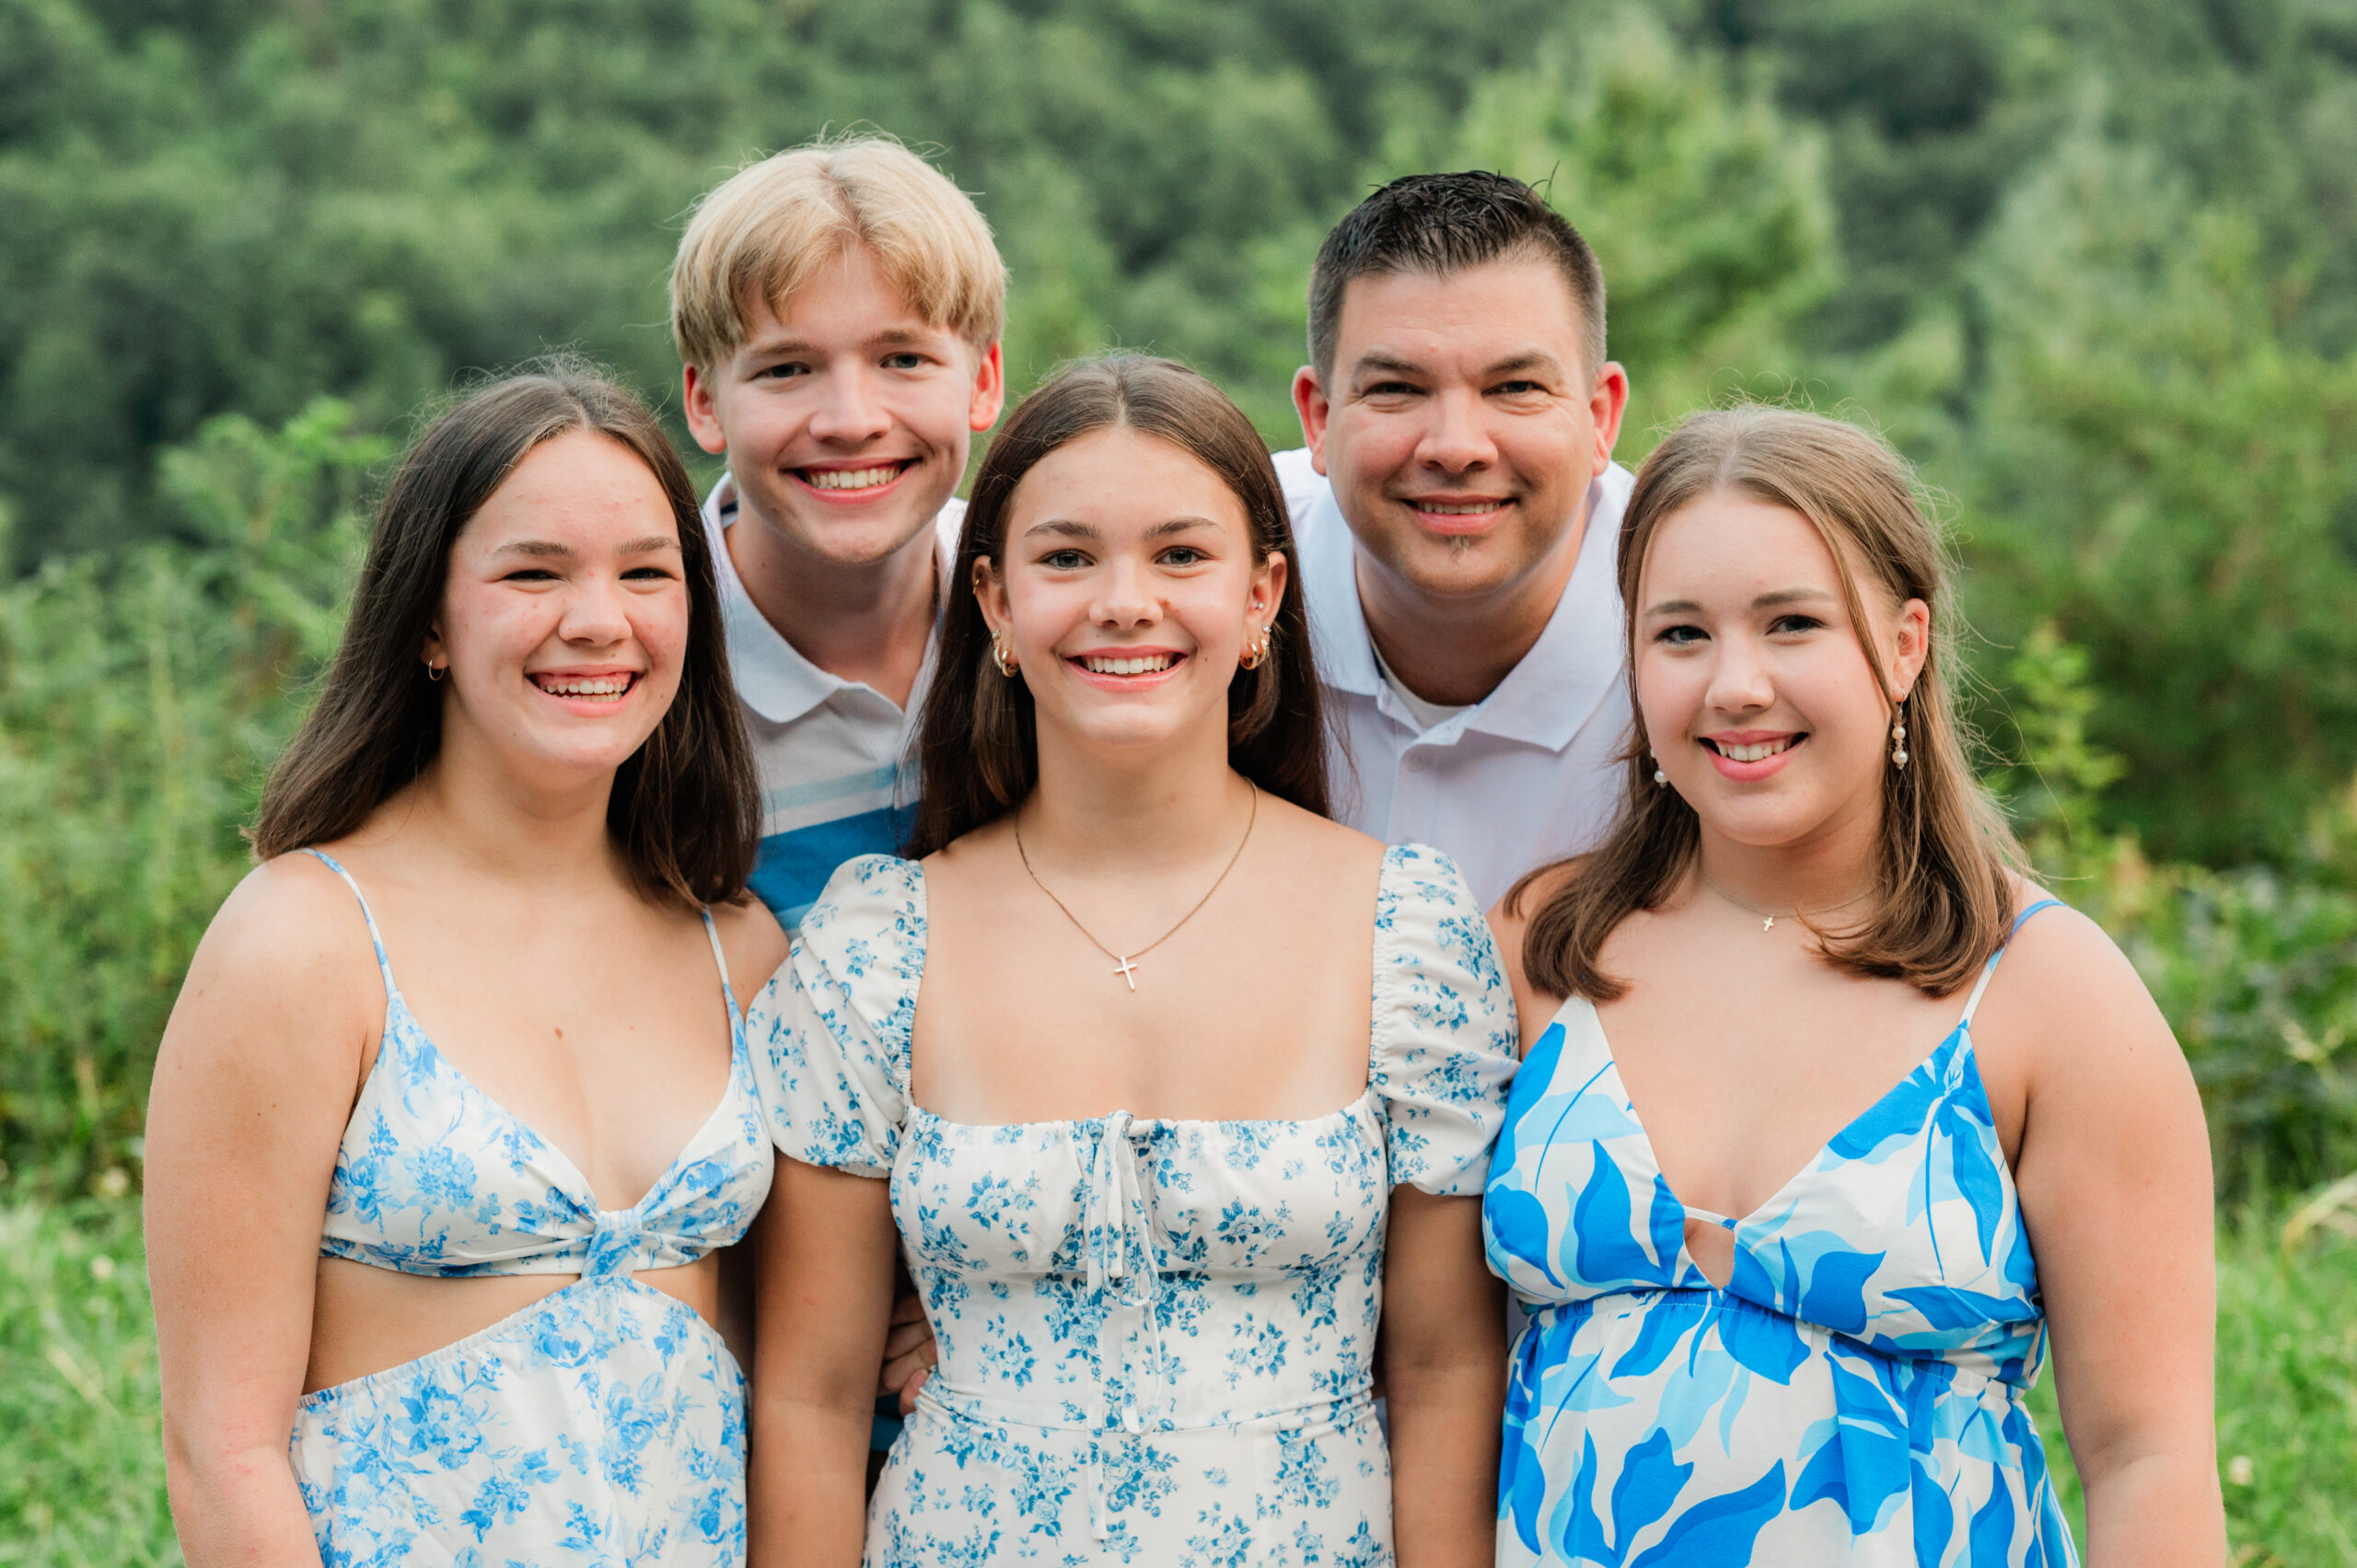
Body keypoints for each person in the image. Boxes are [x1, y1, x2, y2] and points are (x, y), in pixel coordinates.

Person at [746, 355, 1519, 1565]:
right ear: (995, 602)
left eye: (1179, 555)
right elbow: (810, 1395)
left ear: (1263, 592)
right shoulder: (880, 940)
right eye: (1067, 558)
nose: (1123, 600)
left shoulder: (1402, 929)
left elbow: (1445, 1367)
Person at [1483, 407, 2223, 1565]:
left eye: (1791, 624)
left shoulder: (2047, 993)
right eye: (1679, 633)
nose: (1734, 683)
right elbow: (1434, 1376)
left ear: (1903, 643)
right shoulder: (1542, 946)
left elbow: (2148, 1456)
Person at [144, 369, 787, 1565]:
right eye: (533, 572)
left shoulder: (735, 946)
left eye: (646, 572)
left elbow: (783, 1355)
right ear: (429, 621)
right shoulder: (303, 941)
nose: (598, 618)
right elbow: (220, 1447)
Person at [672, 134, 1007, 932]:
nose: (852, 422)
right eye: (787, 368)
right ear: (706, 402)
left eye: (903, 359)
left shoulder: (1052, 610)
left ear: (983, 382)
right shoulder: (638, 662)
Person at [1279, 170, 1633, 909]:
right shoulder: (1200, 573)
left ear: (1601, 417)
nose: (1456, 447)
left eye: (1515, 389)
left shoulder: (1704, 635)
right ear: (1318, 417)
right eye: (1397, 390)